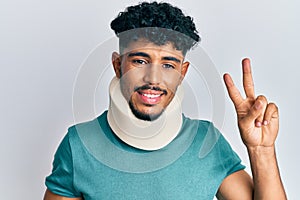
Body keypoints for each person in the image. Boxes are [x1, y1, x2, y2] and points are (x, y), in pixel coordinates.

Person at [43, 2, 287, 199]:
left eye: (168, 65)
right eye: (140, 61)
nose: (153, 79)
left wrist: (261, 150)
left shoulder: (205, 141)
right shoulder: (79, 144)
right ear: (118, 65)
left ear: (182, 73)